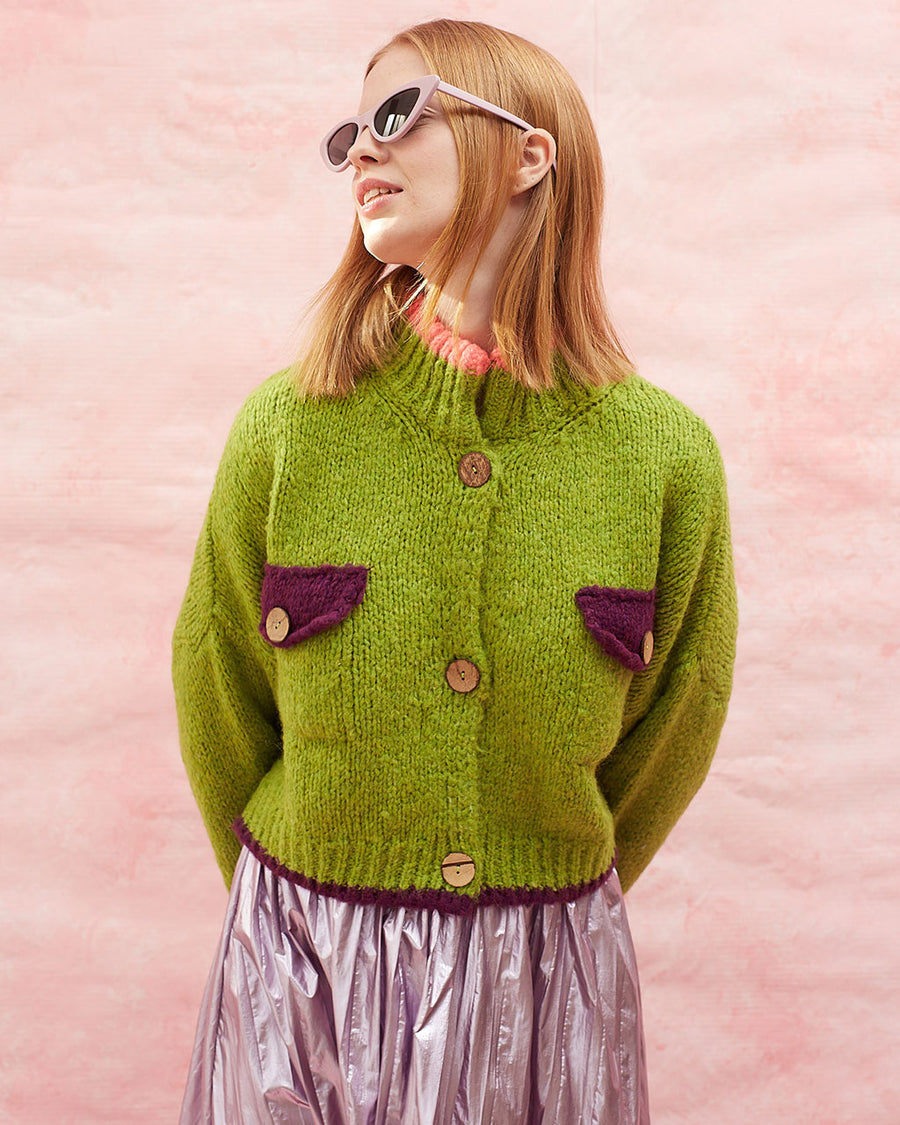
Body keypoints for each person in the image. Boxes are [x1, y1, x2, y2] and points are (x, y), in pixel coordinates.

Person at [172, 18, 738, 1125]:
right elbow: (218, 685)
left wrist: (548, 878)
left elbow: (683, 713)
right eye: (351, 133)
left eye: (399, 114)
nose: (362, 153)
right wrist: (290, 906)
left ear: (530, 154)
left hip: (548, 970)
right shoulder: (290, 429)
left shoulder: (663, 455)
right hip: (302, 961)